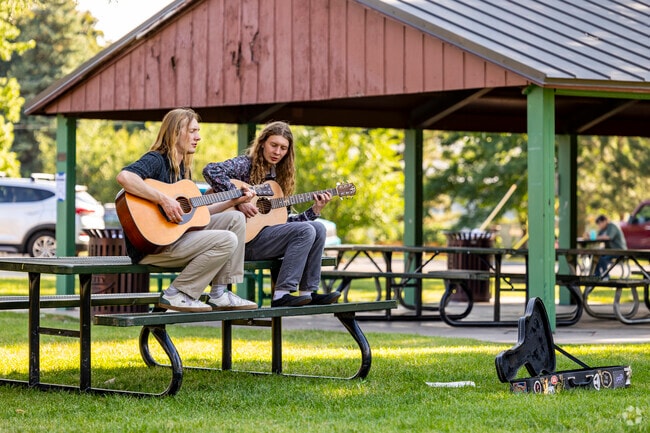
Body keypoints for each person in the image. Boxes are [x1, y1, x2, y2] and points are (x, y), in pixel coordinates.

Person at [116, 108, 257, 312]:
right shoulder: (157, 159)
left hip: (176, 237)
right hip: (153, 246)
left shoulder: (182, 169)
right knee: (227, 239)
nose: (198, 137)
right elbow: (125, 178)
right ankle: (178, 293)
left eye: (198, 131)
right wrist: (164, 200)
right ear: (175, 132)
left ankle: (220, 293)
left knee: (235, 217)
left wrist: (233, 200)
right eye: (192, 131)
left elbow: (197, 213)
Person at [202, 121, 341, 307]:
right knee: (306, 230)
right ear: (262, 143)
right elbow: (211, 170)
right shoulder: (245, 165)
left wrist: (314, 210)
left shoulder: (280, 177)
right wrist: (239, 199)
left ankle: (308, 292)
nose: (277, 152)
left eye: (283, 148)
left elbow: (284, 223)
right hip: (241, 242)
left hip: (264, 239)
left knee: (317, 227)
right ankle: (281, 295)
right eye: (273, 145)